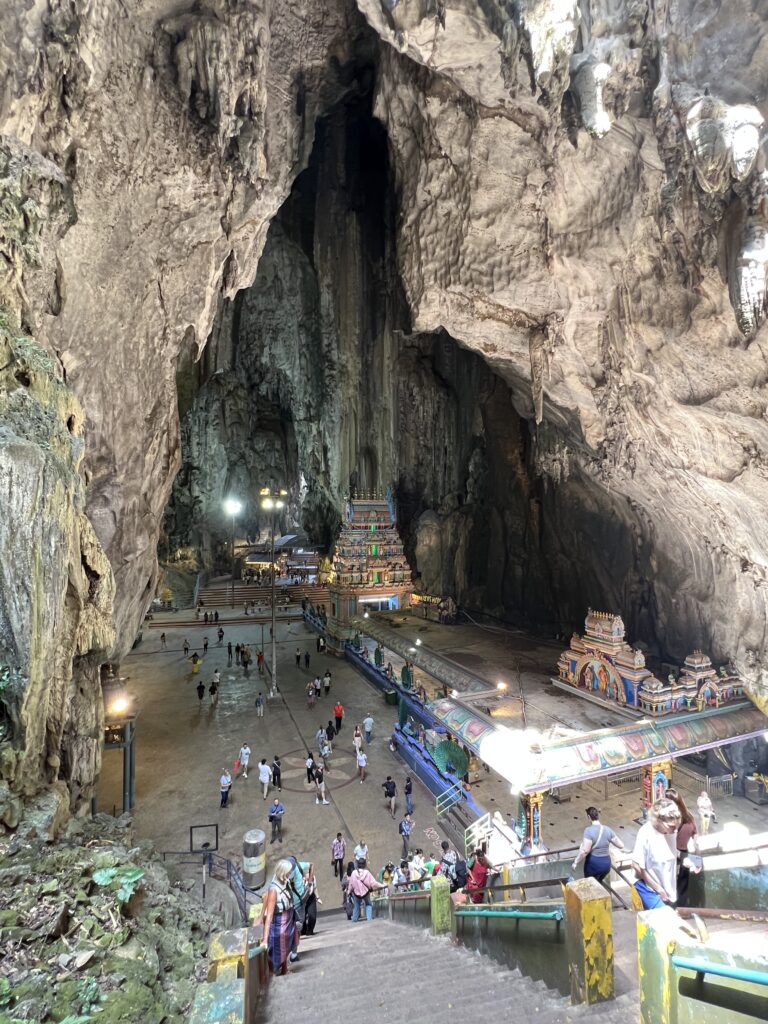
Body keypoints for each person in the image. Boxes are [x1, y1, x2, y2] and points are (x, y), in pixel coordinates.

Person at [631, 798, 682, 909]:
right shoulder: (646, 833)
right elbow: (637, 866)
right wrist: (658, 888)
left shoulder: (672, 832)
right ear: (658, 820)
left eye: (676, 826)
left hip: (669, 890)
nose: (674, 830)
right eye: (671, 827)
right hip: (648, 887)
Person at [260, 859, 298, 975]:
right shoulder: (273, 890)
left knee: (288, 945)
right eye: (288, 872)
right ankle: (274, 971)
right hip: (280, 923)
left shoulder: (285, 883)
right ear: (282, 872)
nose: (290, 874)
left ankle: (285, 969)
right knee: (277, 948)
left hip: (289, 921)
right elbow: (270, 915)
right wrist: (265, 939)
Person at [571, 807, 625, 883]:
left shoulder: (588, 831)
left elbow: (585, 851)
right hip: (606, 865)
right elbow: (621, 845)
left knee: (590, 884)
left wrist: (575, 862)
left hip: (594, 865)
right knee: (598, 882)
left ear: (589, 817)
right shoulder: (607, 829)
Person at [667, 788, 701, 906]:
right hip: (685, 855)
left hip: (672, 854)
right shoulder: (689, 816)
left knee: (670, 882)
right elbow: (695, 834)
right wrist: (696, 851)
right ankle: (682, 908)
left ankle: (673, 907)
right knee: (683, 883)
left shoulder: (670, 819)